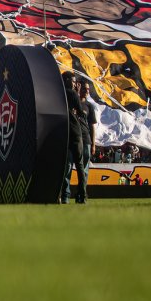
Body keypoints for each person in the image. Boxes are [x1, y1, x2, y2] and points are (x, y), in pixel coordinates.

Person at [62, 72, 87, 204]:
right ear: (67, 80)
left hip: (64, 133)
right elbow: (81, 111)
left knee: (66, 167)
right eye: (73, 81)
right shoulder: (71, 94)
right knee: (80, 166)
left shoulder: (57, 92)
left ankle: (64, 196)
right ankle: (82, 195)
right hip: (75, 132)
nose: (74, 83)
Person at [76, 79, 95, 204]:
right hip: (75, 139)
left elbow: (92, 125)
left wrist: (93, 144)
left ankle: (81, 194)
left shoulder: (89, 106)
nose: (87, 91)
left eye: (88, 89)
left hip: (87, 140)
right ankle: (66, 195)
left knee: (85, 170)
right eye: (84, 89)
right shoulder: (74, 102)